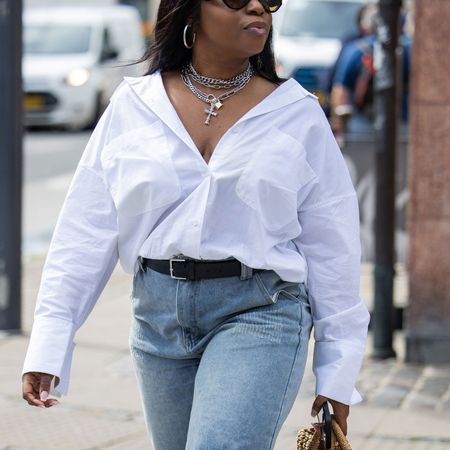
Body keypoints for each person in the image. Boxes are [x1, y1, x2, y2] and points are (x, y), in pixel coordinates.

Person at [21, 0, 370, 448]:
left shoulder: (297, 113)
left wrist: (338, 367)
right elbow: (85, 231)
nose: (258, 7)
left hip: (259, 309)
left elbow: (332, 245)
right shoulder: (134, 105)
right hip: (157, 317)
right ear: (190, 12)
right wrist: (51, 341)